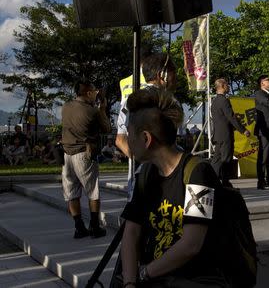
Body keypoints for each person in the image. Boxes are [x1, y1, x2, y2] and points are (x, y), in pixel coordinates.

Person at [120, 88, 230, 288]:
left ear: (146, 139)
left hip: (195, 279)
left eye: (129, 135)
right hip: (155, 278)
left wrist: (144, 273)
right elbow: (131, 232)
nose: (126, 141)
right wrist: (129, 283)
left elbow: (191, 245)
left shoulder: (198, 173)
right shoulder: (145, 174)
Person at [115, 53, 177, 200]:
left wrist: (141, 160)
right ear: (163, 75)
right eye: (174, 73)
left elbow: (120, 140)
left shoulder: (129, 101)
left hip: (137, 184)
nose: (176, 79)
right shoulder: (169, 102)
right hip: (166, 182)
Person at [61, 80, 111, 239]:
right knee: (92, 191)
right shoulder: (93, 111)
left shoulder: (65, 107)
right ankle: (95, 227)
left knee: (72, 193)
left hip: (67, 154)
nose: (97, 94)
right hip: (84, 154)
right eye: (95, 91)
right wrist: (102, 109)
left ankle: (79, 227)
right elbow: (107, 129)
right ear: (88, 93)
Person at [211, 79, 250, 188]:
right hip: (225, 135)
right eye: (227, 84)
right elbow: (231, 117)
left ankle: (211, 181)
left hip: (218, 135)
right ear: (223, 86)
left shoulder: (215, 101)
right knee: (226, 159)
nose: (228, 86)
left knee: (216, 160)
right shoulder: (224, 100)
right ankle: (225, 182)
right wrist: (243, 130)